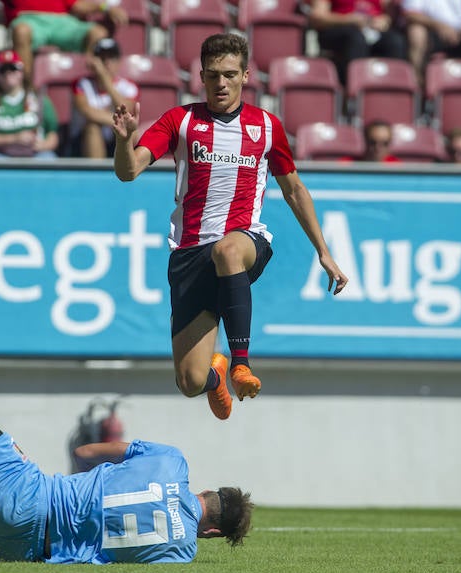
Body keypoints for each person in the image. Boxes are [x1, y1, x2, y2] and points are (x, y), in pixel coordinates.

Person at [111, 33, 349, 420]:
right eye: (213, 76)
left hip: (245, 241)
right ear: (201, 77)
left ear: (245, 75)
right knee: (188, 381)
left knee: (227, 248)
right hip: (189, 255)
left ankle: (240, 363)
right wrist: (123, 142)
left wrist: (324, 252)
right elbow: (129, 171)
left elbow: (294, 189)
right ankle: (217, 376)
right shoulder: (180, 121)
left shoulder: (267, 126)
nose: (221, 84)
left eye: (229, 75)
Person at [0, 380, 253, 563]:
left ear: (209, 490)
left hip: (34, 496)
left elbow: (86, 450)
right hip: (30, 550)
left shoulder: (172, 462)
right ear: (213, 532)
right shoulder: (182, 553)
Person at [5, 0, 128, 84]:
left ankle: (87, 88)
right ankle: (26, 89)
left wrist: (105, 7)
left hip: (62, 21)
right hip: (28, 19)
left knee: (98, 33)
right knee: (21, 31)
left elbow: (77, 5)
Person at [0, 49, 59, 158]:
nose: (8, 73)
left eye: (13, 68)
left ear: (22, 73)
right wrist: (14, 138)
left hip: (35, 153)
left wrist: (44, 145)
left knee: (48, 159)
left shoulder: (39, 100)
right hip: (2, 154)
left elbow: (53, 134)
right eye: (3, 70)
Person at [307, 0, 407, 88]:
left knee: (395, 42)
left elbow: (389, 15)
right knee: (356, 39)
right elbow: (318, 17)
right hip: (339, 30)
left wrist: (384, 20)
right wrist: (349, 20)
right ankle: (354, 94)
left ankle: (389, 94)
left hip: (371, 30)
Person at [70, 37, 137, 158]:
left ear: (118, 61)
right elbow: (88, 112)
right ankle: (95, 174)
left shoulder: (129, 87)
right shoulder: (81, 84)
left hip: (115, 139)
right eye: (102, 57)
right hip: (82, 142)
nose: (106, 62)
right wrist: (120, 122)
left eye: (111, 57)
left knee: (130, 133)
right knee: (93, 127)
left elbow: (126, 109)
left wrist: (106, 81)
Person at [402, 0, 461, 85]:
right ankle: (417, 83)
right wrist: (439, 26)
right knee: (416, 32)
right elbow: (411, 14)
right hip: (431, 30)